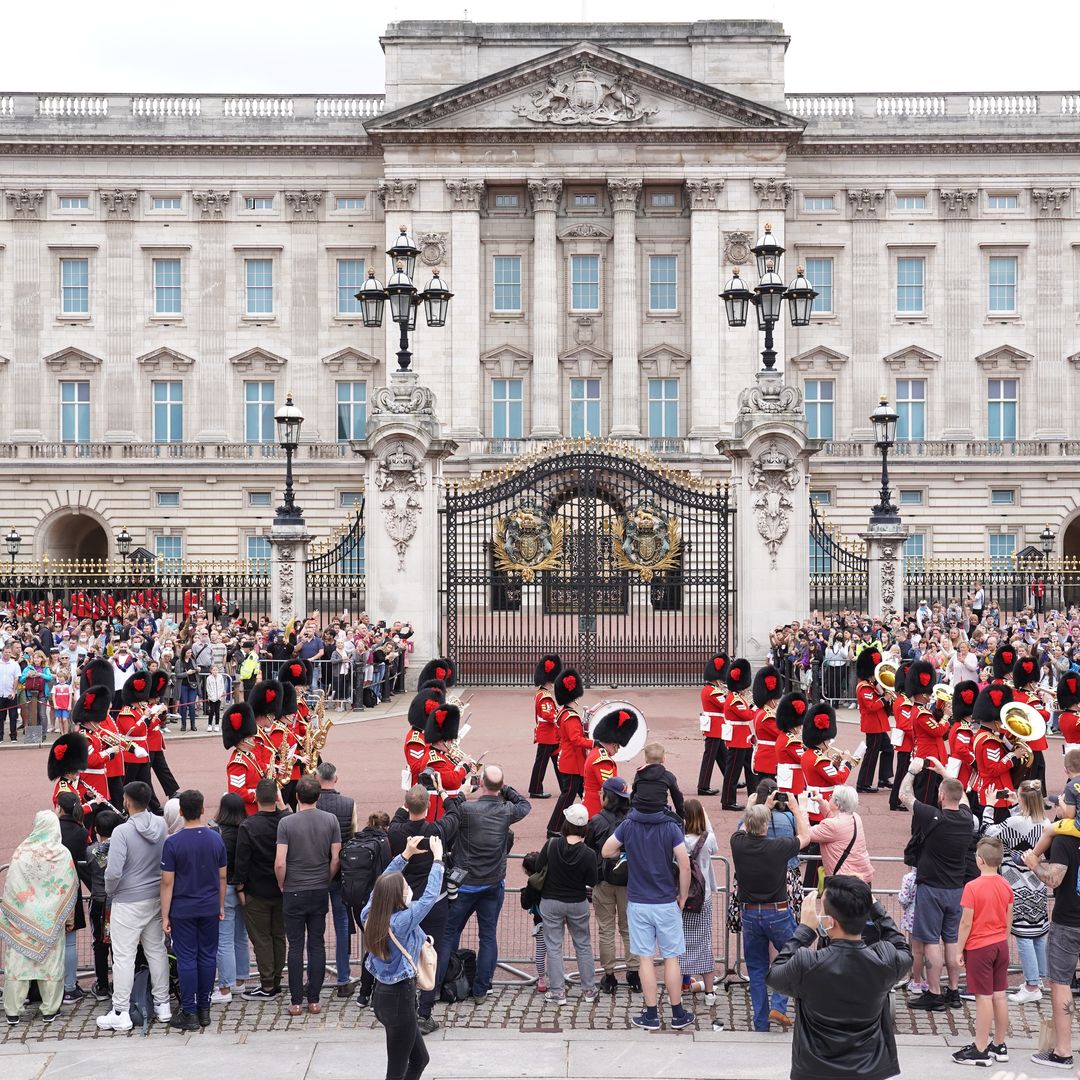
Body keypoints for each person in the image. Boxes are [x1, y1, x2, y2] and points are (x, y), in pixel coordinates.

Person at [767, 876, 912, 1080]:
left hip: (815, 1069)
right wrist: (877, 911)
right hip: (870, 1068)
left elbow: (774, 975)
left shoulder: (807, 964)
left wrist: (804, 931)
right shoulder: (885, 960)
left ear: (831, 921)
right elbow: (903, 948)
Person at [601, 788, 694, 1031]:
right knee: (672, 958)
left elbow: (606, 850)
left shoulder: (629, 825)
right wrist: (682, 895)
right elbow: (684, 865)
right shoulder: (671, 827)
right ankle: (677, 1012)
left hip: (639, 901)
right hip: (665, 901)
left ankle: (651, 1014)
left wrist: (628, 851)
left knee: (645, 959)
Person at [434, 765, 530, 1002]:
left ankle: (438, 985)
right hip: (491, 883)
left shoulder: (467, 809)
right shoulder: (506, 810)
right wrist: (504, 787)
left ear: (482, 784)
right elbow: (525, 805)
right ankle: (481, 988)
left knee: (448, 934)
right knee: (488, 936)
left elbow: (451, 811)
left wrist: (463, 792)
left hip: (464, 883)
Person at [362, 834, 445, 1080]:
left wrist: (405, 855)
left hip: (386, 997)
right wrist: (437, 861)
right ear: (398, 896)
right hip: (399, 1000)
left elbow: (382, 884)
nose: (409, 889)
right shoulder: (401, 922)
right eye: (406, 887)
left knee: (420, 1059)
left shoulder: (371, 913)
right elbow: (429, 898)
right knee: (396, 1071)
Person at [730, 797, 812, 1031]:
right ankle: (779, 1003)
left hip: (750, 914)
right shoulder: (778, 847)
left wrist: (759, 805)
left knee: (756, 969)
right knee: (792, 957)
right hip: (777, 912)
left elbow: (744, 826)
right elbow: (806, 837)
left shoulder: (738, 843)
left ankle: (761, 1021)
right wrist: (796, 808)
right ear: (766, 826)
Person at [97, 781, 172, 1031]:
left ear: (127, 802)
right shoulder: (162, 824)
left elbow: (113, 871)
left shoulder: (122, 832)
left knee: (124, 957)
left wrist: (111, 891)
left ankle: (121, 1010)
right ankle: (163, 1004)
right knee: (156, 951)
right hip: (155, 896)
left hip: (127, 900)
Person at [899, 759, 974, 1012]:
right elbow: (961, 796)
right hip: (956, 889)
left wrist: (912, 771)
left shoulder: (933, 816)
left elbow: (904, 795)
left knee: (931, 942)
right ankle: (953, 991)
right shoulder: (967, 818)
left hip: (932, 888)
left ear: (941, 795)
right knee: (951, 941)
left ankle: (933, 992)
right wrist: (944, 773)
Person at [387, 783, 461, 1033]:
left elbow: (397, 818)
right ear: (428, 807)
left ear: (407, 806)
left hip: (405, 903)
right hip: (433, 903)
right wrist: (441, 791)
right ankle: (424, 1011)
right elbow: (454, 813)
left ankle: (406, 1006)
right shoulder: (436, 830)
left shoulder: (397, 832)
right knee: (431, 955)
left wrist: (407, 797)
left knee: (405, 953)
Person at [0, 811, 79, 1025]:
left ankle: (13, 1011)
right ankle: (50, 1010)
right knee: (51, 965)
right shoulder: (62, 854)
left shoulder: (21, 852)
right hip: (50, 921)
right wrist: (68, 919)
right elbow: (68, 889)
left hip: (21, 920)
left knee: (17, 965)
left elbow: (11, 886)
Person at [160, 789, 228, 1031]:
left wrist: (165, 914)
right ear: (202, 810)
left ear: (180, 812)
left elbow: (167, 882)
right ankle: (205, 1008)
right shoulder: (215, 838)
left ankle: (189, 1010)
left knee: (187, 958)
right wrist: (220, 904)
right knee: (207, 956)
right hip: (209, 905)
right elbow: (222, 877)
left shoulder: (173, 843)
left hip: (183, 907)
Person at [274, 774, 341, 1015]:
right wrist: (326, 878)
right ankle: (314, 999)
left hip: (293, 889)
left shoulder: (287, 824)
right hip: (318, 888)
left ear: (298, 797)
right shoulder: (331, 820)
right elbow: (335, 859)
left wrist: (283, 884)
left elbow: (280, 862)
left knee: (295, 946)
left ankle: (295, 1001)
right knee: (316, 943)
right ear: (319, 796)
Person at [985, 779, 1052, 1003]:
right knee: (1039, 934)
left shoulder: (1014, 822)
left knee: (1023, 936)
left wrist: (989, 805)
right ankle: (1038, 979)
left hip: (1017, 885)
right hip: (1038, 884)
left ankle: (1032, 986)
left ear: (1022, 797)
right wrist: (1016, 806)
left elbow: (987, 834)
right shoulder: (1045, 822)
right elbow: (1026, 828)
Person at [1023, 812, 1080, 1071]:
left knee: (1060, 984)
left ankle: (1063, 1051)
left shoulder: (1064, 839)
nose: (1057, 803)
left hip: (1069, 920)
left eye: (1063, 800)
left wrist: (1033, 862)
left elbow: (1053, 878)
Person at [950, 836, 1014, 1066]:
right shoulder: (1006, 884)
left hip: (980, 946)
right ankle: (999, 1043)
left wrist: (959, 949)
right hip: (1000, 944)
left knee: (983, 997)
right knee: (1000, 994)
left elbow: (966, 922)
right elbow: (1009, 918)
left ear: (980, 860)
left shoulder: (972, 887)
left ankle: (980, 1048)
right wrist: (1002, 940)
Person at [534, 803, 598, 1005]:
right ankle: (589, 989)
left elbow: (537, 867)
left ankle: (558, 992)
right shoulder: (589, 854)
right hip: (577, 902)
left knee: (553, 946)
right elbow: (593, 880)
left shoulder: (552, 844)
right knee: (583, 945)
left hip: (551, 901)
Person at [584, 776, 640, 994]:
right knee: (629, 929)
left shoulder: (596, 821)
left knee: (606, 929)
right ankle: (634, 973)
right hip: (630, 882)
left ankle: (609, 976)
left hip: (604, 881)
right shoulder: (633, 820)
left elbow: (589, 851)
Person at [235, 779, 291, 999]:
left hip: (257, 890)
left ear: (256, 798)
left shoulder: (248, 826)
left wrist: (240, 888)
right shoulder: (287, 821)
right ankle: (276, 978)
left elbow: (242, 861)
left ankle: (268, 984)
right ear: (277, 798)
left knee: (262, 939)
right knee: (279, 935)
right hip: (283, 888)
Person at [315, 760, 359, 997]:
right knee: (342, 925)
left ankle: (316, 976)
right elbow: (352, 834)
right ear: (336, 779)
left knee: (316, 928)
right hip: (341, 872)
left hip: (316, 871)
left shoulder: (312, 801)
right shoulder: (348, 803)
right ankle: (343, 977)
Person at [209, 792, 251, 1004]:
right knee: (240, 936)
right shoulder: (247, 828)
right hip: (243, 888)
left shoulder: (217, 833)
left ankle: (225, 987)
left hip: (223, 888)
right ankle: (240, 979)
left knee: (223, 939)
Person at [680, 798, 718, 1003]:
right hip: (703, 897)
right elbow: (716, 849)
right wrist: (706, 817)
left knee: (678, 943)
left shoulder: (678, 839)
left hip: (681, 896)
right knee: (704, 941)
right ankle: (710, 992)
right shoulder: (707, 839)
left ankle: (679, 986)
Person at [56, 791, 90, 1005]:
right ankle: (69, 988)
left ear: (59, 808)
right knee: (69, 943)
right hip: (70, 890)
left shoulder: (50, 829)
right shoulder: (81, 832)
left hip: (45, 892)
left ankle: (48, 986)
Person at [547, 668, 590, 834]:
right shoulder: (570, 716)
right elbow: (576, 740)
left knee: (586, 794)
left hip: (571, 760)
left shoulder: (563, 713)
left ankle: (591, 821)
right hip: (573, 763)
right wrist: (594, 743)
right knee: (568, 797)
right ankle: (554, 828)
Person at [582, 703, 640, 819]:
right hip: (598, 811)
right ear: (613, 743)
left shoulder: (596, 751)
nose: (617, 750)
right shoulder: (603, 760)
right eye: (618, 746)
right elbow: (611, 788)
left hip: (592, 808)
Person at [808, 786, 873, 884]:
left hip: (843, 883)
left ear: (837, 804)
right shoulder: (855, 817)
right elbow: (836, 818)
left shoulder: (832, 825)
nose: (829, 798)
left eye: (831, 797)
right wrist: (821, 802)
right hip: (861, 879)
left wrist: (800, 810)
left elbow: (805, 833)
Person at [720, 658, 756, 810]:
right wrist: (754, 709)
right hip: (737, 739)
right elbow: (747, 716)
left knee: (751, 769)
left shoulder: (738, 697)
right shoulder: (735, 699)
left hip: (744, 738)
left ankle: (754, 797)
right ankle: (728, 801)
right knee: (733, 772)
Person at [528, 653, 561, 799]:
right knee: (541, 764)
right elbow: (548, 715)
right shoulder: (545, 696)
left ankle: (566, 786)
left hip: (551, 735)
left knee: (558, 761)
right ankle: (535, 789)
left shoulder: (542, 693)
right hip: (547, 735)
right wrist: (560, 717)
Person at [697, 653, 730, 796]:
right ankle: (703, 786)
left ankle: (730, 779)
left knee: (723, 756)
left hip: (716, 727)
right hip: (714, 727)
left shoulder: (710, 689)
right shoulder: (714, 692)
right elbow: (726, 707)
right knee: (709, 758)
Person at [630, 742, 685, 819]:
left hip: (639, 812)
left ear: (646, 759)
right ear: (663, 759)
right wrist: (681, 816)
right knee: (678, 826)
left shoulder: (639, 774)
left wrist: (630, 809)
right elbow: (677, 797)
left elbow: (633, 793)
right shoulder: (668, 776)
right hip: (659, 812)